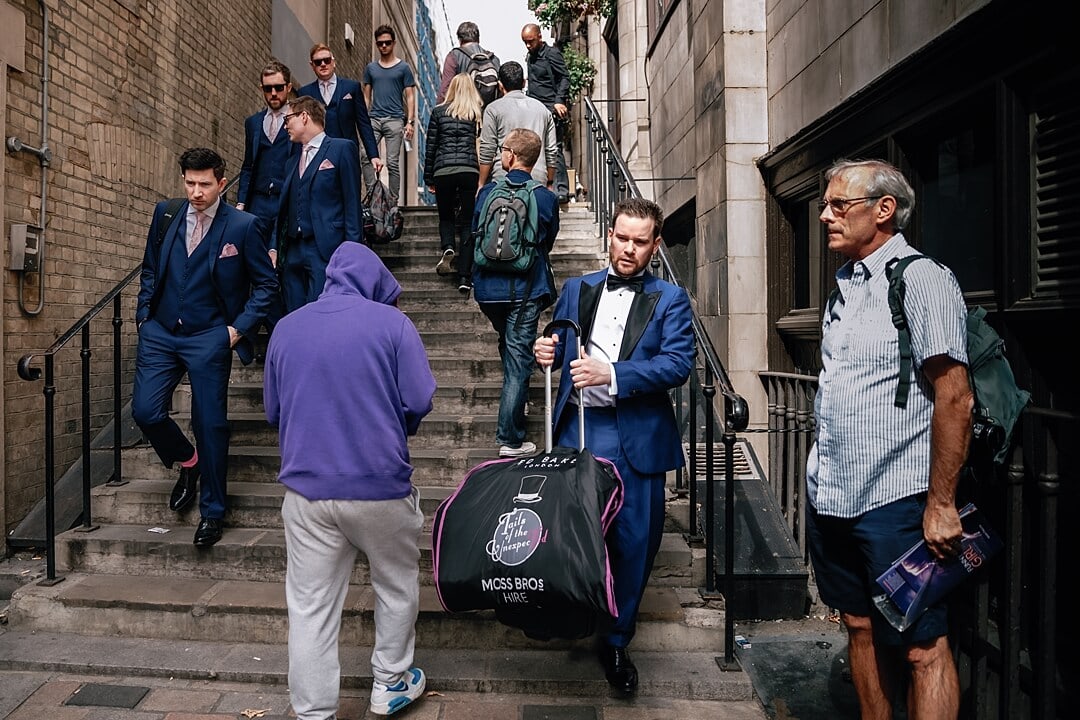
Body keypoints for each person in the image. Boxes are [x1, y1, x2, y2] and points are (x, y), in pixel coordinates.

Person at [805, 158, 972, 720]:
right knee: (858, 625)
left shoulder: (922, 278)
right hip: (831, 494)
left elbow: (954, 396)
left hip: (895, 500)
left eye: (838, 205)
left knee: (923, 646)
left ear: (884, 209)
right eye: (824, 205)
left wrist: (941, 503)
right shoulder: (843, 285)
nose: (825, 216)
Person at [264, 242, 436, 718]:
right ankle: (390, 682)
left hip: (307, 489)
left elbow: (274, 410)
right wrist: (396, 422)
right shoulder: (393, 325)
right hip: (379, 484)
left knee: (310, 606)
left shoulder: (286, 328)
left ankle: (314, 711)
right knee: (396, 585)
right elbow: (419, 398)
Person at [533, 197, 693, 695]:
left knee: (634, 541)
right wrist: (545, 349)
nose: (628, 249)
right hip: (578, 429)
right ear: (610, 235)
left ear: (655, 245)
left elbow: (678, 364)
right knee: (569, 532)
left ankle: (618, 640)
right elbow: (558, 345)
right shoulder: (576, 288)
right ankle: (571, 613)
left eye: (639, 242)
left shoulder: (670, 298)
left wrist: (615, 374)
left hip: (635, 435)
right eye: (621, 238)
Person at [132, 148, 277, 547]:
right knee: (145, 411)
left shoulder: (243, 226)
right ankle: (188, 462)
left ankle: (212, 512)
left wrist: (236, 330)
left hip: (210, 335)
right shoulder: (165, 214)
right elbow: (150, 268)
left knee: (210, 424)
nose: (196, 192)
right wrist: (144, 317)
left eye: (205, 184)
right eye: (190, 183)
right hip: (161, 332)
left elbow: (266, 285)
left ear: (222, 183)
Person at [473, 128, 559, 458]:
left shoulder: (487, 193)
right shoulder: (545, 198)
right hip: (526, 288)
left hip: (488, 291)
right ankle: (510, 438)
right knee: (518, 359)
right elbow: (546, 242)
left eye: (503, 150)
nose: (500, 155)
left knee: (511, 347)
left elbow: (476, 231)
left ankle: (511, 419)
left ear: (511, 156)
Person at [273, 95, 363, 313]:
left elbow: (352, 203)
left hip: (325, 248)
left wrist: (352, 252)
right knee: (293, 313)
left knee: (322, 312)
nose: (285, 126)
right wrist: (274, 246)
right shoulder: (291, 161)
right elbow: (283, 210)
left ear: (304, 116)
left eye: (288, 119)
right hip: (293, 249)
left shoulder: (341, 149)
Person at [236, 59, 294, 335]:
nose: (273, 93)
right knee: (255, 265)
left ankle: (279, 328)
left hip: (285, 202)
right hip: (258, 203)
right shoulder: (253, 123)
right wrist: (240, 203)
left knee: (279, 264)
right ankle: (268, 327)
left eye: (278, 88)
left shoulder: (297, 120)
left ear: (288, 87)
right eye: (268, 88)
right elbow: (248, 166)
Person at [424, 73, 483, 295]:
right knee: (468, 223)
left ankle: (448, 246)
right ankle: (464, 277)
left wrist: (429, 178)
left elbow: (431, 146)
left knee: (446, 217)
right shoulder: (475, 114)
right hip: (469, 170)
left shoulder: (438, 112)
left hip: (443, 170)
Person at [298, 42, 383, 178]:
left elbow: (364, 123)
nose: (323, 64)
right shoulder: (305, 93)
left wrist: (373, 155)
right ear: (312, 65)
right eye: (318, 62)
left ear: (334, 62)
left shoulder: (352, 88)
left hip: (347, 154)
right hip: (317, 157)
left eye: (327, 60)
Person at [477, 62, 558, 189]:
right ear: (524, 83)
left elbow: (487, 150)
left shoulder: (493, 109)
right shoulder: (543, 110)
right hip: (537, 178)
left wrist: (481, 183)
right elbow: (551, 150)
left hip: (503, 178)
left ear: (500, 85)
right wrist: (550, 182)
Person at [362, 25, 416, 207]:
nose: (383, 46)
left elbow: (410, 96)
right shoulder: (371, 68)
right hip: (374, 119)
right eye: (380, 43)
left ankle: (392, 203)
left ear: (394, 43)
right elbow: (366, 96)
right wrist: (363, 119)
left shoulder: (404, 68)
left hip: (395, 120)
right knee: (365, 155)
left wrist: (410, 122)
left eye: (387, 43)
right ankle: (373, 197)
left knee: (392, 162)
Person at [522, 23, 571, 202]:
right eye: (525, 42)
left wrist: (559, 100)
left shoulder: (552, 54)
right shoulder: (530, 57)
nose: (528, 45)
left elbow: (564, 77)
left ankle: (561, 190)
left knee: (554, 148)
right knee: (535, 147)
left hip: (551, 107)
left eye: (531, 41)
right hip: (534, 108)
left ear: (539, 37)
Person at [436, 21, 500, 104]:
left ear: (460, 40)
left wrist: (439, 108)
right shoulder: (494, 59)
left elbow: (445, 89)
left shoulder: (454, 56)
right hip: (489, 109)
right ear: (478, 39)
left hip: (465, 109)